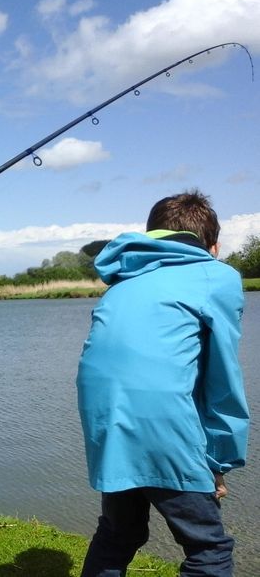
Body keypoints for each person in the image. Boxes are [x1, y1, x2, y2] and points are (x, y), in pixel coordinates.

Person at [76, 190, 249, 577]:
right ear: (214, 246)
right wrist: (218, 460)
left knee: (119, 532)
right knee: (209, 547)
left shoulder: (122, 280)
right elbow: (222, 377)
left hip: (108, 423)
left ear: (152, 235)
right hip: (161, 421)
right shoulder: (216, 276)